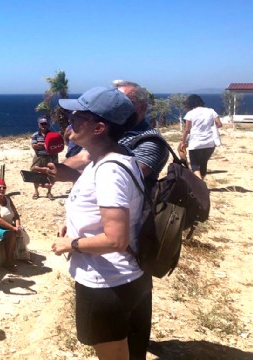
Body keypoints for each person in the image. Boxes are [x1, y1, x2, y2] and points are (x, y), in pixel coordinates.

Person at [50, 87, 151, 360]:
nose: (70, 119)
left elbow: (116, 239)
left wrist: (70, 243)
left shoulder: (109, 170)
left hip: (108, 283)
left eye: (77, 116)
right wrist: (73, 225)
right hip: (125, 279)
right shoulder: (109, 159)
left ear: (98, 128)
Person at [45, 80, 170, 189]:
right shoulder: (108, 134)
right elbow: (83, 157)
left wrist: (73, 175)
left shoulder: (151, 142)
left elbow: (126, 178)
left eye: (124, 101)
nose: (115, 105)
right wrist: (53, 171)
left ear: (141, 107)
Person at [0, 179, 32, 272]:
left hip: (7, 225)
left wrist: (18, 226)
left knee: (21, 231)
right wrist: (13, 228)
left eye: (4, 187)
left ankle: (22, 255)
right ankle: (8, 261)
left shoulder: (8, 199)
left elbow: (15, 215)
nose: (1, 189)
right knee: (11, 235)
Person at [179, 94, 223, 180]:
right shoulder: (211, 111)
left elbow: (187, 130)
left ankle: (200, 185)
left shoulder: (190, 113)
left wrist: (183, 142)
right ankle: (201, 187)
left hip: (196, 143)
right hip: (210, 143)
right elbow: (219, 124)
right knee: (203, 163)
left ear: (190, 104)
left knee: (195, 166)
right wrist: (208, 128)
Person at [30, 117, 57, 200]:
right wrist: (47, 144)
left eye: (45, 123)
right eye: (42, 124)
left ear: (47, 125)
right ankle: (36, 191)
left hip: (50, 157)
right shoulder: (35, 135)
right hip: (39, 157)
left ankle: (49, 192)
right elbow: (34, 146)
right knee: (35, 172)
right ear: (39, 125)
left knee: (50, 174)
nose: (44, 125)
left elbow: (55, 146)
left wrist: (41, 144)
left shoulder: (52, 135)